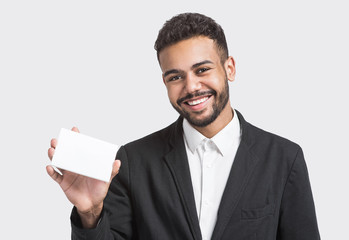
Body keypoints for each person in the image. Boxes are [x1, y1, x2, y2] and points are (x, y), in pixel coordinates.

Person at [47, 13, 320, 240]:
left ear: (230, 69)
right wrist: (91, 214)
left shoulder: (284, 158)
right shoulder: (131, 161)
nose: (191, 87)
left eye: (202, 70)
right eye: (176, 76)